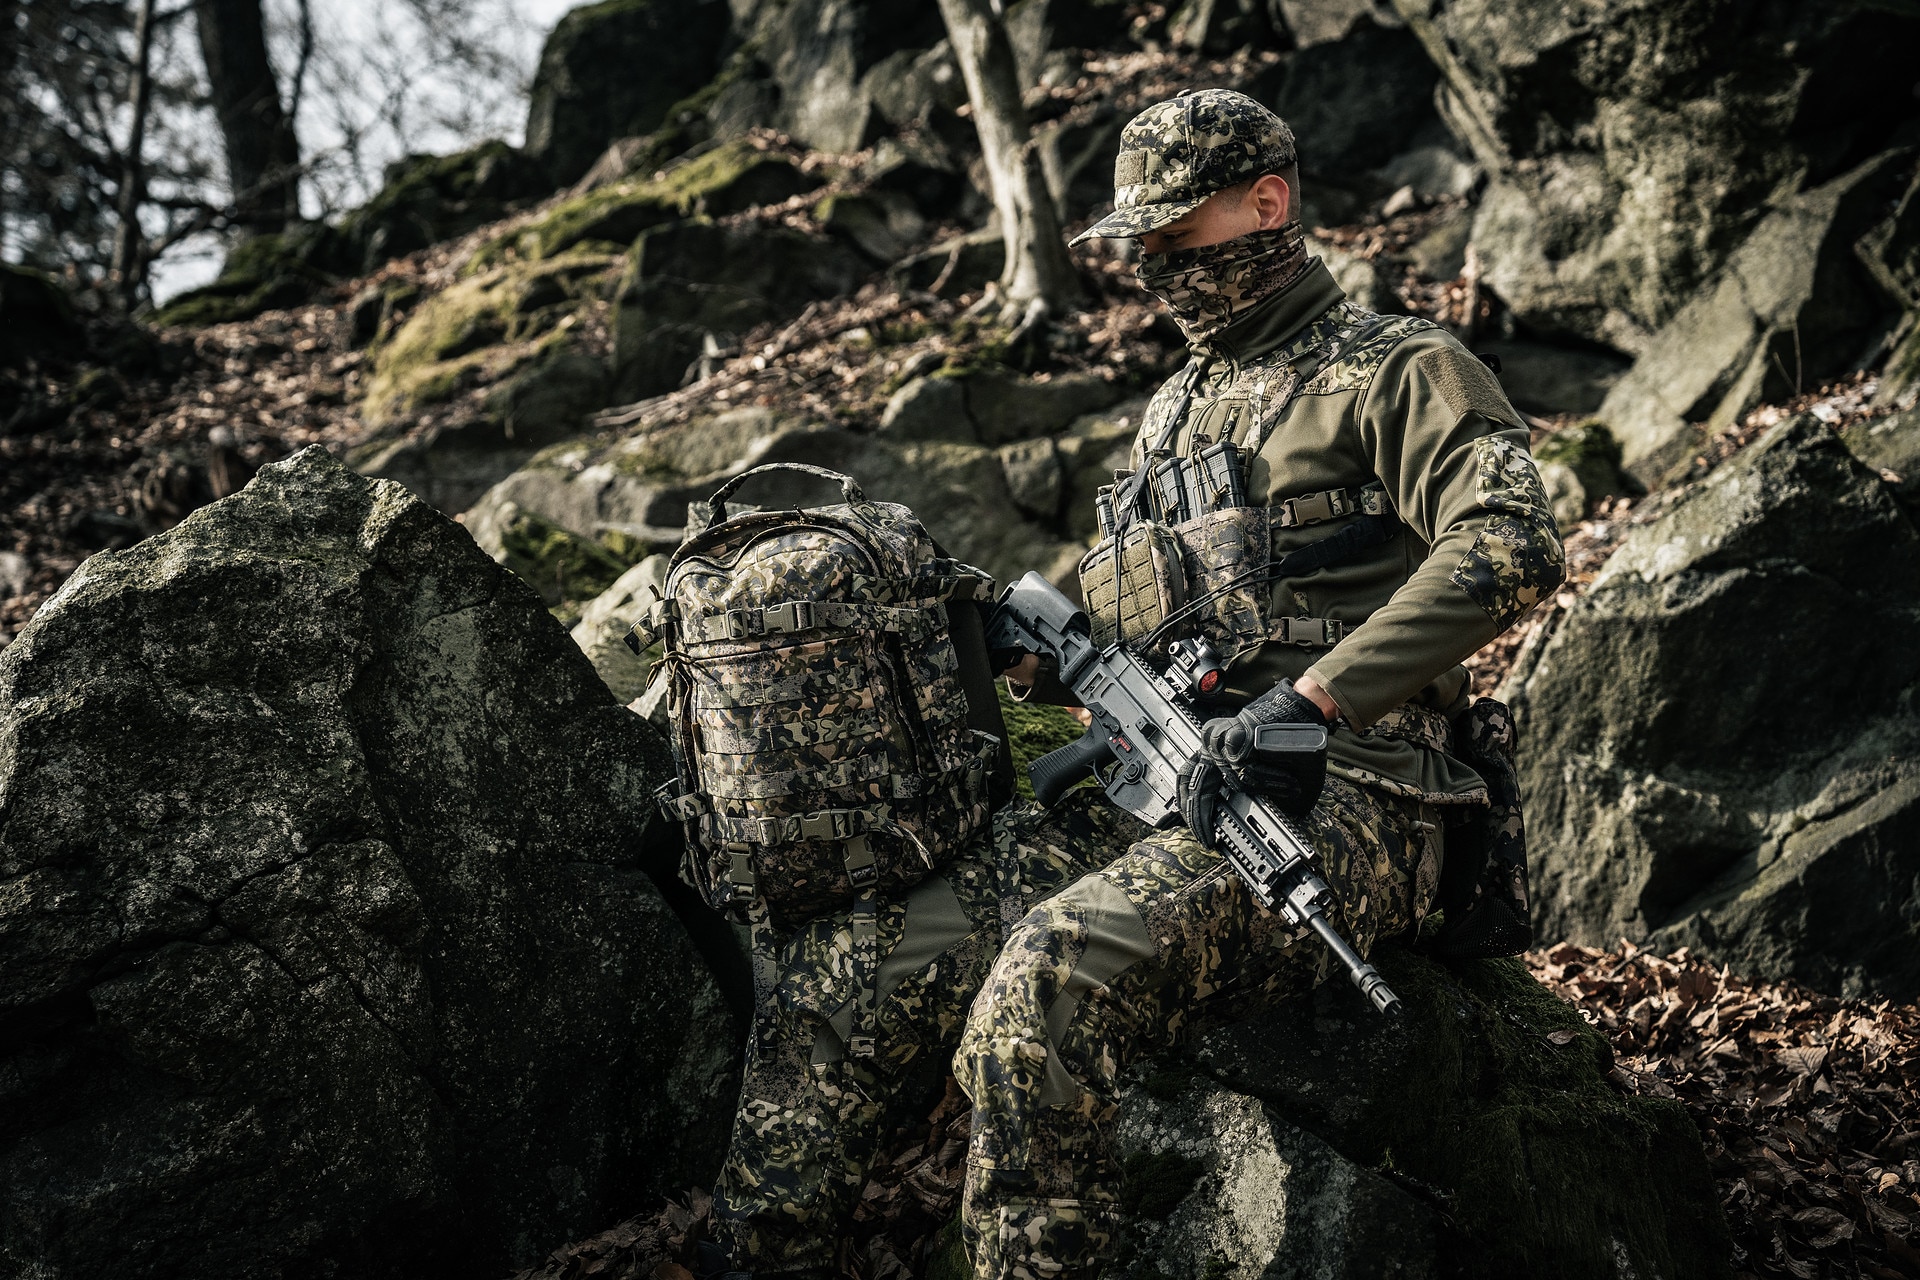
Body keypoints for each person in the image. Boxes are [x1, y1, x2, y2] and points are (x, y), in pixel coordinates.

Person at [955, 88, 1565, 1278]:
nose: (1159, 272)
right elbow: (1146, 618)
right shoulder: (1173, 408)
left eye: (1180, 239)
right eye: (1144, 250)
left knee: (1049, 979)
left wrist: (1313, 701)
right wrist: (1036, 656)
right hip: (1171, 777)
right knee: (904, 944)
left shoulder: (1401, 366)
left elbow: (1512, 547)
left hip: (1360, 792)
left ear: (1269, 203)